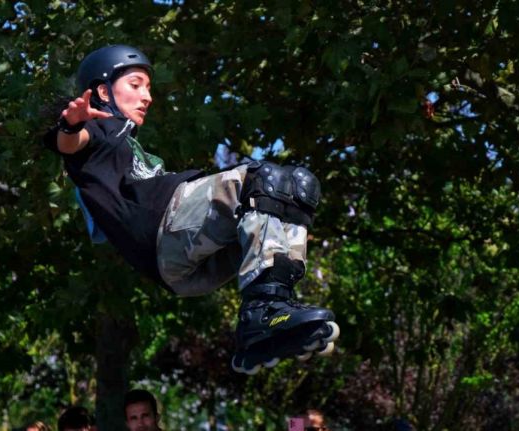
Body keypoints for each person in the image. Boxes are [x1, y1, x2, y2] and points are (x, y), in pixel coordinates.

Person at [43, 45, 339, 374]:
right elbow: (68, 143)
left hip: (185, 266)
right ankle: (263, 311)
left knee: (298, 186)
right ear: (102, 90)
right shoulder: (97, 132)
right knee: (262, 180)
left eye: (149, 88)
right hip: (164, 233)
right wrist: (70, 123)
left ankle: (274, 310)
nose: (147, 97)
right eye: (136, 84)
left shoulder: (131, 146)